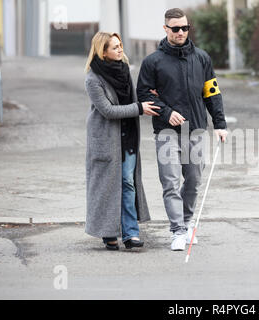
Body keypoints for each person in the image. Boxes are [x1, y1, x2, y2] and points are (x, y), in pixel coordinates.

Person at [137, 8, 228, 251]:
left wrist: (220, 124)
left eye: (184, 28)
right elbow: (144, 94)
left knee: (194, 181)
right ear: (165, 29)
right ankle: (177, 231)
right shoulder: (152, 62)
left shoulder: (202, 58)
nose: (180, 32)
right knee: (170, 181)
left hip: (197, 129)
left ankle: (188, 224)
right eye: (175, 28)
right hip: (166, 132)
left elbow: (212, 92)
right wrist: (167, 113)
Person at [84, 32, 160, 251]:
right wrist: (139, 108)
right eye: (115, 47)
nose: (120, 50)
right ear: (103, 51)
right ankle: (108, 232)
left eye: (120, 46)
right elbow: (107, 110)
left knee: (128, 184)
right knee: (106, 187)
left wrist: (146, 98)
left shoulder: (124, 69)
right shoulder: (92, 79)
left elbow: (131, 98)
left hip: (128, 138)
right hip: (106, 139)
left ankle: (130, 233)